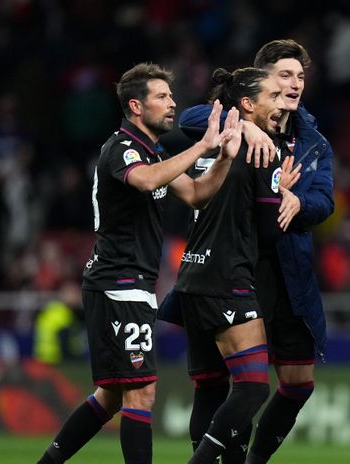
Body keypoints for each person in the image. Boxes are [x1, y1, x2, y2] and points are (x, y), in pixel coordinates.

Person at [37, 62, 244, 464]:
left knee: (112, 396)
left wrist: (223, 158)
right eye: (162, 97)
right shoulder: (123, 148)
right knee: (142, 391)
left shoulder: (154, 151)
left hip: (130, 283)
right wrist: (201, 146)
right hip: (118, 282)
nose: (172, 104)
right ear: (136, 105)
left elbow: (198, 194)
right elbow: (147, 180)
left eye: (171, 96)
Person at [178, 39, 334, 464]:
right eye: (285, 75)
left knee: (297, 384)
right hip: (239, 267)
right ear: (261, 80)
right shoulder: (237, 123)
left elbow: (325, 199)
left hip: (289, 267)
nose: (295, 83)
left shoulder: (313, 140)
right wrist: (240, 123)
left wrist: (299, 202)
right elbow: (189, 118)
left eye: (300, 76)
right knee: (238, 382)